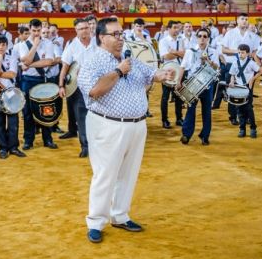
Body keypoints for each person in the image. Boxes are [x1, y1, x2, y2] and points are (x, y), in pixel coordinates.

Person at [78, 17, 173, 244]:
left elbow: (151, 75)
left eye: (122, 34)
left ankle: (120, 215)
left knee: (128, 174)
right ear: (102, 37)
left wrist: (164, 75)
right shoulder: (92, 61)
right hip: (107, 124)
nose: (121, 38)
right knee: (105, 175)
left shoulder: (129, 57)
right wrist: (118, 71)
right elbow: (94, 91)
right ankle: (96, 221)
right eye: (116, 34)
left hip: (137, 124)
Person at [59, 17, 97, 157]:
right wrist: (61, 85)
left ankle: (99, 144)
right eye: (81, 29)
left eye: (86, 28)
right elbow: (65, 68)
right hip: (79, 88)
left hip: (98, 85)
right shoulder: (72, 46)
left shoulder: (98, 42)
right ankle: (85, 146)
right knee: (81, 118)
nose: (84, 31)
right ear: (76, 30)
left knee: (99, 116)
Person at [19, 18, 58, 150]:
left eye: (38, 30)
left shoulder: (48, 43)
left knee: (46, 109)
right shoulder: (22, 44)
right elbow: (26, 58)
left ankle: (48, 139)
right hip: (27, 80)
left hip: (43, 79)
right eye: (34, 30)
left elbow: (48, 62)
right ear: (29, 29)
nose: (36, 33)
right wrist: (35, 46)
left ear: (42, 29)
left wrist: (29, 64)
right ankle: (28, 140)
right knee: (27, 111)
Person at [177, 28, 219, 145]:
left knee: (207, 111)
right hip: (193, 83)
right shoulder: (190, 51)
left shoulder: (213, 52)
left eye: (205, 36)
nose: (202, 38)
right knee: (190, 109)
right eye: (200, 36)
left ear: (208, 39)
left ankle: (205, 136)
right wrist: (178, 81)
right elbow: (183, 66)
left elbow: (217, 68)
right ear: (197, 38)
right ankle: (186, 134)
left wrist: (209, 61)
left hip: (207, 83)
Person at [0, 34, 26, 159]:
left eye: (3, 45)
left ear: (6, 45)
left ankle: (13, 147)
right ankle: (3, 148)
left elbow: (13, 73)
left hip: (11, 93)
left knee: (13, 122)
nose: (1, 47)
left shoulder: (11, 56)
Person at [220, 13, 260, 125]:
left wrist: (250, 55)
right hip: (231, 65)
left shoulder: (253, 35)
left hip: (248, 68)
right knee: (232, 91)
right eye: (242, 19)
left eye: (246, 19)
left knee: (248, 92)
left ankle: (246, 116)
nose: (245, 21)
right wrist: (237, 52)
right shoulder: (230, 33)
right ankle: (233, 116)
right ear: (237, 20)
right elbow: (223, 50)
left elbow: (255, 51)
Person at [229, 44, 262, 138]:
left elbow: (261, 71)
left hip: (247, 88)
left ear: (247, 53)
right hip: (238, 88)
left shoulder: (251, 63)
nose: (240, 54)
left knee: (248, 108)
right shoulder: (235, 62)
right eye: (239, 52)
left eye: (242, 52)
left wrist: (252, 79)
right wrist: (232, 81)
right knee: (239, 109)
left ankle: (253, 128)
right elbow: (232, 74)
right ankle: (242, 129)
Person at [158, 20, 184, 128]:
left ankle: (179, 118)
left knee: (179, 96)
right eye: (174, 27)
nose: (177, 30)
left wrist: (173, 52)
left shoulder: (181, 40)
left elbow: (184, 55)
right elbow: (165, 57)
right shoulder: (163, 41)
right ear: (168, 29)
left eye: (178, 27)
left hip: (179, 70)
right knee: (165, 96)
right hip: (167, 70)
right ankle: (164, 120)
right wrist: (178, 53)